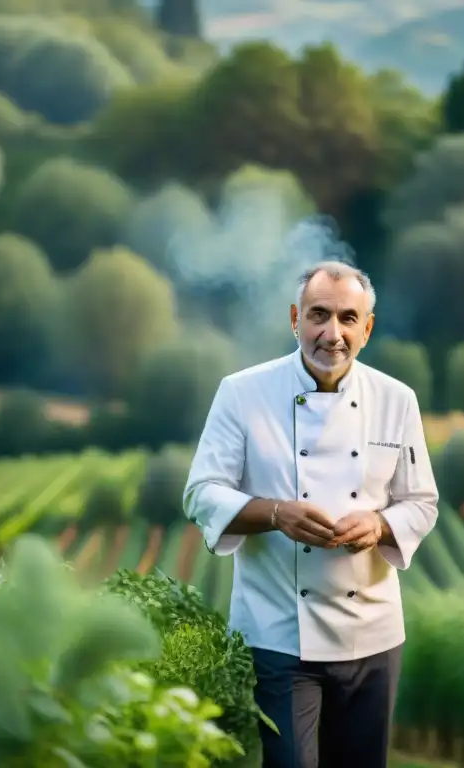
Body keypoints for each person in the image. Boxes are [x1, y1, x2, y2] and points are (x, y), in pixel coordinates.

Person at [182, 260, 439, 768]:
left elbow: (421, 502)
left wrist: (379, 524)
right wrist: (276, 513)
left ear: (366, 328)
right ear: (295, 318)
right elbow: (201, 492)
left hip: (372, 635)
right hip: (278, 632)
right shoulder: (242, 392)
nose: (332, 333)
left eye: (348, 319)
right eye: (319, 315)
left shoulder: (397, 401)